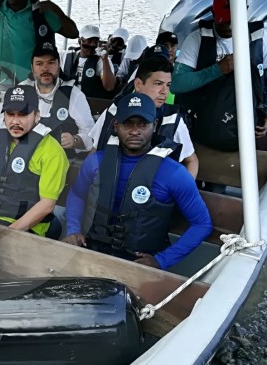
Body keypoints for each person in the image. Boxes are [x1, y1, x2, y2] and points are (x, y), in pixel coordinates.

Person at [63, 93, 212, 270]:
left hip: (139, 263)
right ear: (116, 125)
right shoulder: (96, 161)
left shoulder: (174, 173)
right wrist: (73, 230)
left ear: (155, 125)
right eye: (127, 124)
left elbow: (202, 224)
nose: (135, 131)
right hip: (93, 251)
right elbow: (77, 194)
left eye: (143, 124)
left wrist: (162, 260)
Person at [0, 85, 69, 239]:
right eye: (10, 114)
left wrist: (6, 235)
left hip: (25, 230)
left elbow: (47, 205)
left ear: (37, 115)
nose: (15, 121)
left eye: (23, 114)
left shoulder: (52, 152)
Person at [171, 0, 267, 151]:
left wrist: (265, 112)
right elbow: (177, 84)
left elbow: (264, 79)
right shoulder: (197, 39)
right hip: (203, 127)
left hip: (248, 129)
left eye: (233, 20)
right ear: (214, 15)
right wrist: (217, 70)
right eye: (225, 21)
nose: (230, 26)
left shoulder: (259, 39)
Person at [90, 57, 199, 178]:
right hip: (111, 186)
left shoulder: (172, 118)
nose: (165, 91)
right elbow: (95, 151)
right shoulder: (114, 110)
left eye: (168, 85)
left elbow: (192, 161)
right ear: (138, 84)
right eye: (158, 84)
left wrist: (184, 190)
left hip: (154, 192)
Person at [0, 0, 79, 83]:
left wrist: (55, 9)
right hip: (3, 81)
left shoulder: (41, 11)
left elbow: (73, 33)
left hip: (35, 82)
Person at [21, 41, 95, 158]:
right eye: (39, 64)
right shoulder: (22, 91)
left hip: (60, 160)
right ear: (32, 68)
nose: (45, 68)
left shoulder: (73, 94)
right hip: (27, 157)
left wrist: (75, 140)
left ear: (59, 65)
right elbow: (5, 125)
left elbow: (91, 134)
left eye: (51, 63)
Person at [62, 25, 116, 99]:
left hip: (90, 101)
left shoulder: (102, 60)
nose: (92, 44)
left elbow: (109, 87)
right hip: (68, 99)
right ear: (79, 41)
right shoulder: (66, 56)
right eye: (89, 40)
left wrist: (105, 59)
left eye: (96, 40)